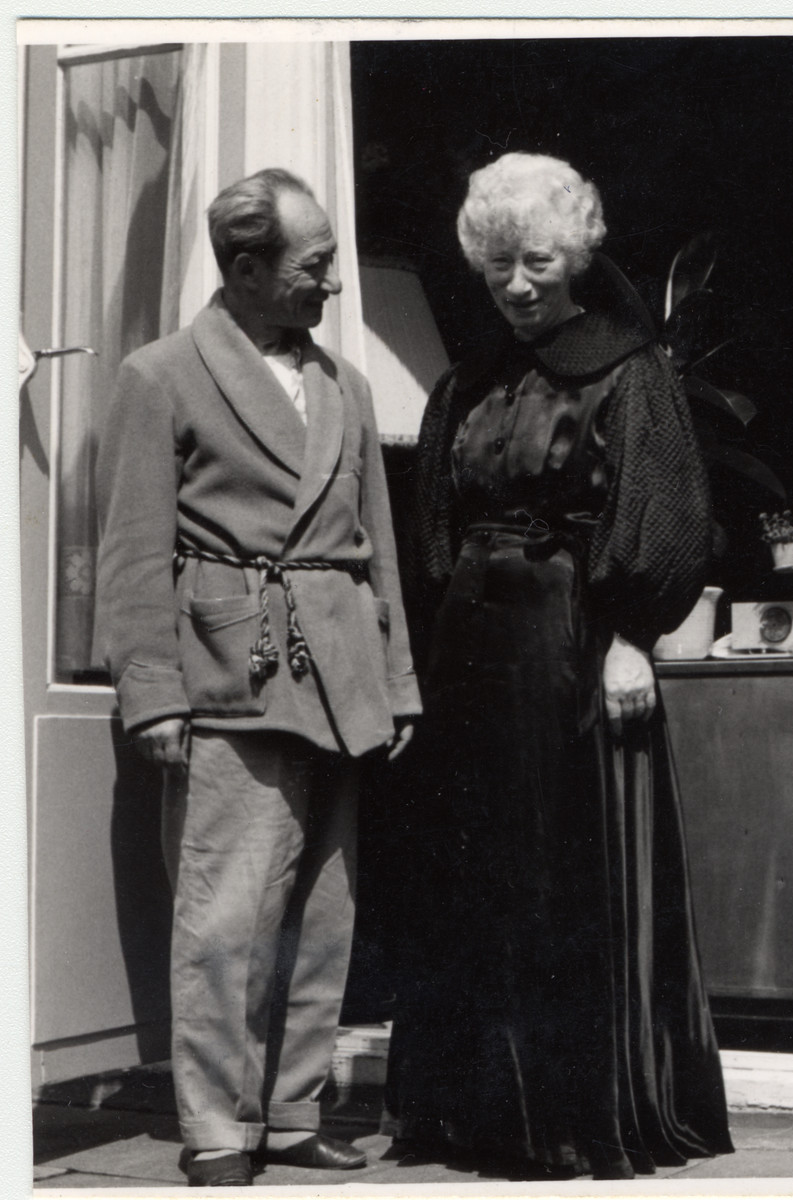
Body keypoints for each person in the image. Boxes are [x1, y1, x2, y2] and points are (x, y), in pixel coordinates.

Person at [383, 151, 734, 1181]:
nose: (518, 285)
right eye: (497, 268)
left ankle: (569, 1118)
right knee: (466, 867)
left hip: (572, 641)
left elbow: (669, 516)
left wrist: (630, 638)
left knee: (557, 866)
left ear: (577, 254)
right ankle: (467, 1115)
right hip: (472, 651)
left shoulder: (634, 374)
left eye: (535, 261)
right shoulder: (464, 384)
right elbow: (437, 528)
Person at [94, 168, 420, 1188]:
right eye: (314, 267)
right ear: (244, 268)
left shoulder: (345, 387)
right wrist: (150, 689)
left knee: (325, 916)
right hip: (232, 670)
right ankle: (217, 1128)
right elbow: (135, 555)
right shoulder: (161, 376)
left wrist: (399, 679)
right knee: (227, 917)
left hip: (342, 673)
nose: (330, 285)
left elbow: (378, 551)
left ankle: (290, 1113)